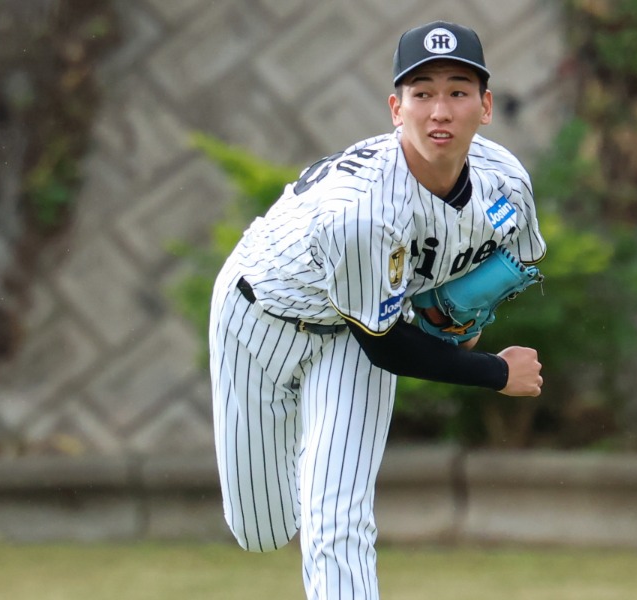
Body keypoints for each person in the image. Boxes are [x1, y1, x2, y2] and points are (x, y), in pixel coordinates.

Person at [208, 20, 546, 600]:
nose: (440, 110)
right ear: (396, 108)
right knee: (262, 532)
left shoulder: (506, 183)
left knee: (336, 516)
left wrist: (464, 319)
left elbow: (513, 262)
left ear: (486, 107)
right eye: (423, 93)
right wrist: (495, 371)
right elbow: (388, 345)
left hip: (351, 333)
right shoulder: (363, 211)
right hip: (258, 319)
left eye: (458, 92)